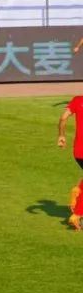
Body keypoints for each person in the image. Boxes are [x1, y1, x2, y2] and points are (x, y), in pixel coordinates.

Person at [56, 94, 83, 231]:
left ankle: (78, 191)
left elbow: (63, 118)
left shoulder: (77, 100)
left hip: (78, 151)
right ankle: (77, 214)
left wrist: (61, 136)